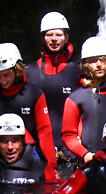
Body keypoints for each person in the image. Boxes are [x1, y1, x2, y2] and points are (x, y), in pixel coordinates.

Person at [0, 43, 57, 182]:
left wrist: (52, 165)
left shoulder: (34, 93)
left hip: (29, 160)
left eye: (6, 74)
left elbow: (44, 131)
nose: (2, 80)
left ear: (17, 69)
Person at [61, 36, 106, 164]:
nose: (99, 65)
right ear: (85, 65)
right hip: (88, 159)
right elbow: (68, 135)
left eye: (102, 60)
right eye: (93, 61)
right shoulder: (76, 97)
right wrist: (85, 155)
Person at [25, 11, 82, 164]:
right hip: (36, 151)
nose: (54, 39)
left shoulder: (77, 72)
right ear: (43, 38)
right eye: (49, 35)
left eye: (59, 35)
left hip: (69, 150)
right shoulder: (28, 72)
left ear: (67, 38)